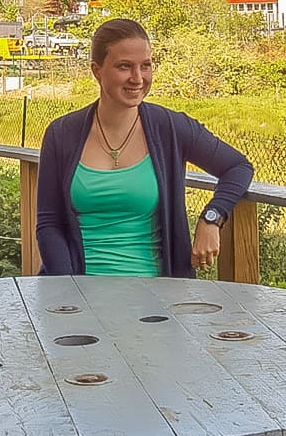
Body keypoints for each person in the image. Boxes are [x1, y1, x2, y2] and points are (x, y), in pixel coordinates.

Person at [33, 18, 254, 276]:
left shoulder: (170, 127)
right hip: (77, 296)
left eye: (146, 66)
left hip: (156, 300)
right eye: (124, 66)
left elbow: (238, 166)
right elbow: (49, 224)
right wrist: (70, 291)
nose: (137, 78)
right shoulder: (61, 134)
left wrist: (212, 217)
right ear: (97, 71)